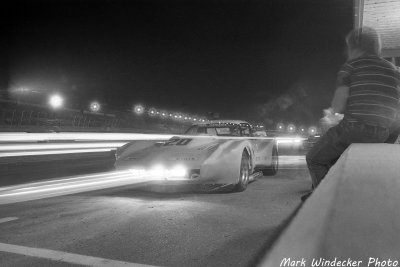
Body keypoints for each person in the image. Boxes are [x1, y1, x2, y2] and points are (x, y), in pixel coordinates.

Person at [302, 26, 400, 201]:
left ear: (355, 47)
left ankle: (325, 199)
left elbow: (338, 106)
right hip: (382, 133)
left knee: (315, 158)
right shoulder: (393, 70)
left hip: (353, 129)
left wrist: (330, 114)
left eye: (348, 47)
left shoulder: (351, 66)